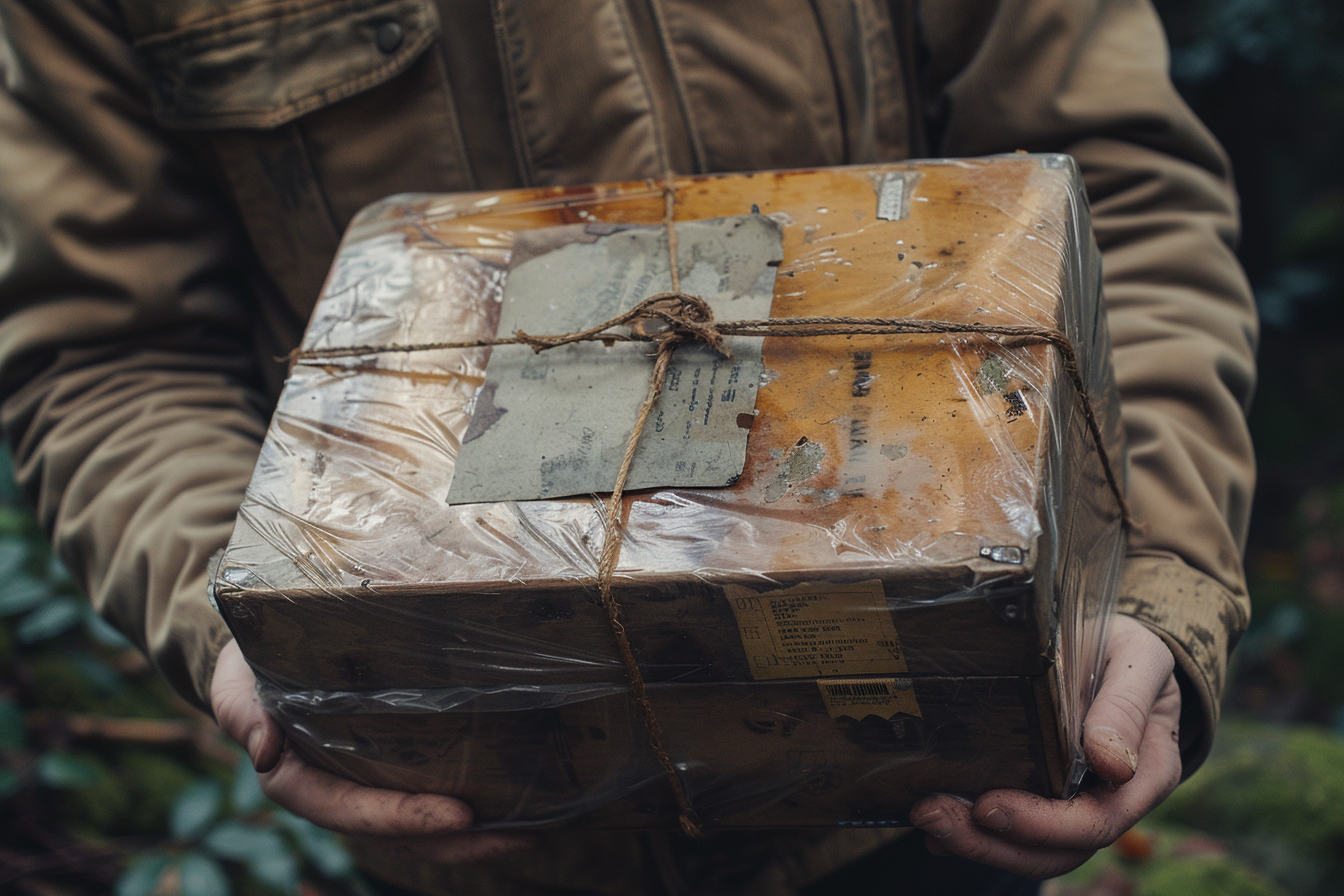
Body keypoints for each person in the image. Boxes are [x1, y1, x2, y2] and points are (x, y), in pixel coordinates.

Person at [0, 0, 1256, 893]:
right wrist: (245, 635)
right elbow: (107, 354)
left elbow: (1111, 199)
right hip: (477, 801)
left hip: (921, 783)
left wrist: (1151, 586)